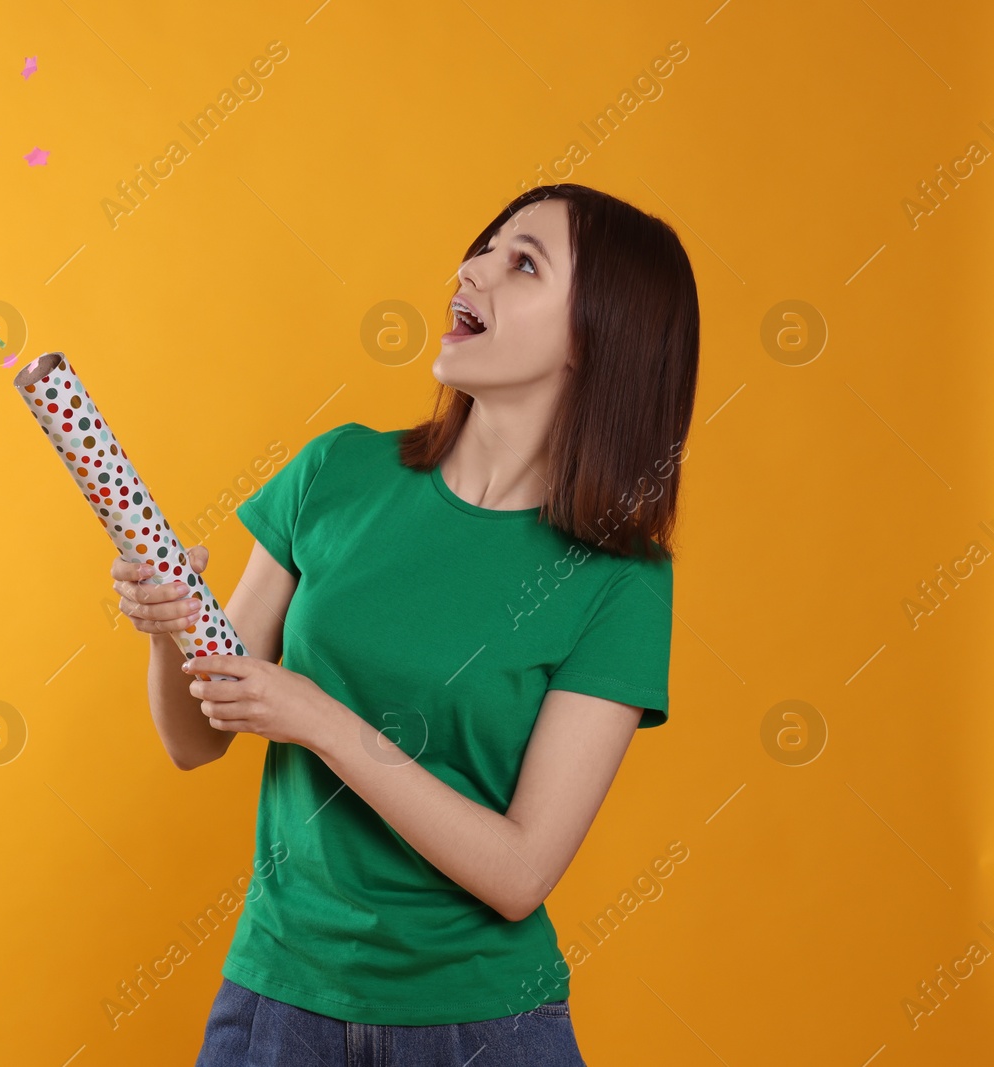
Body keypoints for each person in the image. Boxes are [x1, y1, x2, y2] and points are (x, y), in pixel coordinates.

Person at [110, 182, 699, 1066]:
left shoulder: (620, 582)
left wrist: (319, 720)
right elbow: (195, 739)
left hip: (484, 1027)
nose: (472, 269)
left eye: (522, 262)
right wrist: (170, 625)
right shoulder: (336, 473)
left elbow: (519, 872)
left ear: (594, 340)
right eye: (486, 247)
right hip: (277, 1005)